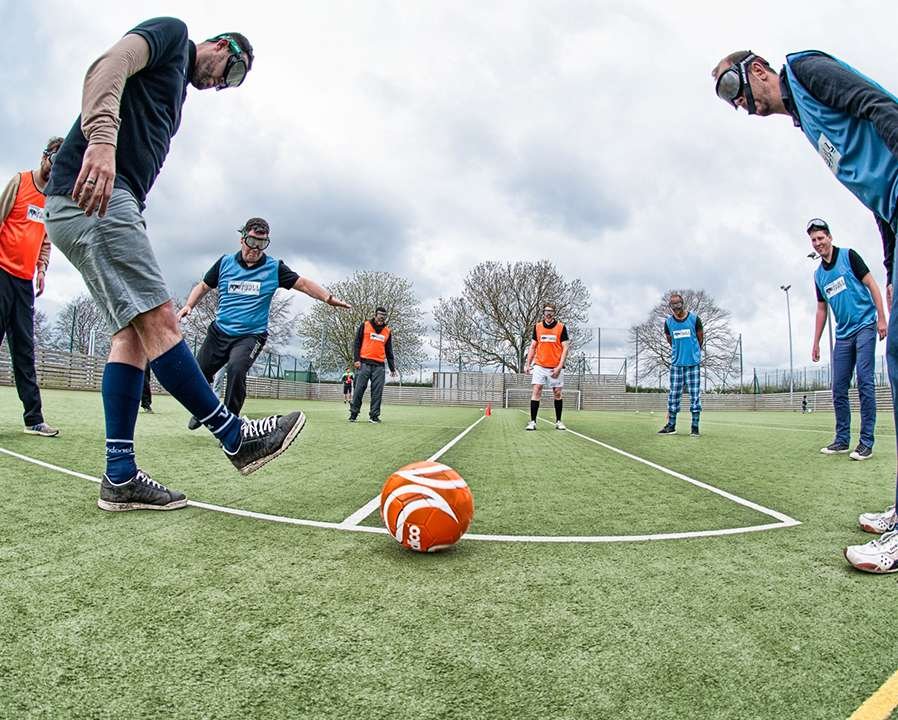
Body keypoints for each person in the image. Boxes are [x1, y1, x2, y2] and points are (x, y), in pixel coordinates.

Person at [44, 17, 305, 513]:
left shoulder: (177, 91)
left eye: (229, 86)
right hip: (96, 200)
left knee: (132, 336)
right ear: (221, 45)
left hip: (99, 206)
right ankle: (235, 437)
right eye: (230, 73)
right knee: (160, 320)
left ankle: (119, 476)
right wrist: (100, 141)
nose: (219, 85)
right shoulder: (172, 35)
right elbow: (108, 65)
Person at [711, 49, 898, 571]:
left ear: (759, 69)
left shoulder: (807, 69)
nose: (744, 106)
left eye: (737, 91)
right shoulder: (805, 122)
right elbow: (873, 189)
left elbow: (881, 107)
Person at [179, 217, 350, 427]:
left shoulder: (274, 268)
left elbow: (304, 284)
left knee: (236, 369)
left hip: (250, 336)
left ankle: (229, 423)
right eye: (252, 242)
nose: (256, 249)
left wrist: (327, 298)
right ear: (242, 240)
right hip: (220, 332)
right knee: (198, 372)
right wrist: (189, 305)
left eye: (262, 244)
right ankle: (204, 409)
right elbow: (203, 286)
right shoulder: (224, 263)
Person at [0, 137, 63, 438]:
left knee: (25, 350)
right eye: (54, 160)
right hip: (1, 274)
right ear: (44, 157)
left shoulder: (50, 200)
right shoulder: (20, 181)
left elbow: (46, 239)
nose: (55, 168)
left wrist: (41, 269)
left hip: (24, 282)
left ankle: (33, 419)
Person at [809, 218, 886, 461]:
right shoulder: (819, 275)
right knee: (838, 388)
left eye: (821, 238)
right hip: (843, 336)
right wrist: (816, 341)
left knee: (865, 382)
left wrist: (882, 318)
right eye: (813, 240)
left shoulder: (849, 256)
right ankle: (842, 440)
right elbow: (822, 309)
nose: (818, 243)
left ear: (830, 237)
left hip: (865, 325)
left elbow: (872, 284)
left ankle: (866, 443)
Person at [657, 293, 703, 437]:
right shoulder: (668, 323)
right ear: (670, 306)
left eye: (678, 304)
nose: (676, 307)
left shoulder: (695, 319)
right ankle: (671, 426)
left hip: (693, 364)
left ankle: (694, 428)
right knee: (674, 395)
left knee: (695, 395)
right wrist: (679, 353)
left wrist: (692, 354)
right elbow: (670, 340)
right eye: (673, 305)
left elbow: (700, 339)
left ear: (682, 303)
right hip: (676, 364)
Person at [523, 304, 570, 431]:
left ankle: (559, 421)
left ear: (554, 313)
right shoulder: (537, 327)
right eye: (546, 311)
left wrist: (560, 366)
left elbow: (565, 348)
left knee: (557, 393)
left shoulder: (561, 327)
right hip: (540, 365)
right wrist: (528, 364)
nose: (548, 313)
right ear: (543, 313)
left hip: (556, 366)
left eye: (551, 311)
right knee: (536, 390)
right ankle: (532, 421)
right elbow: (533, 346)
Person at [349, 306, 397, 423]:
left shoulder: (387, 331)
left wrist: (392, 368)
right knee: (359, 389)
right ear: (375, 315)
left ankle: (374, 416)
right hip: (364, 363)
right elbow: (357, 343)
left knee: (377, 392)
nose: (382, 317)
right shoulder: (364, 325)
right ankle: (354, 414)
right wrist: (356, 359)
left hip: (379, 366)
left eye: (384, 316)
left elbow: (389, 351)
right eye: (380, 314)